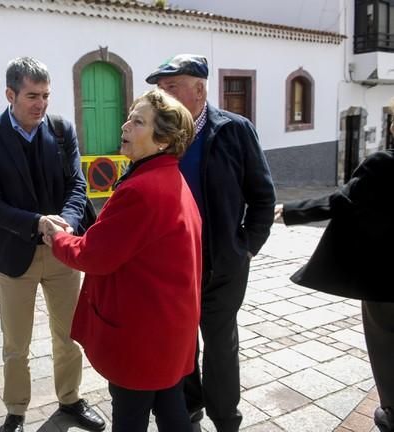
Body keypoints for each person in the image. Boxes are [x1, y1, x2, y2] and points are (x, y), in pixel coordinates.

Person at [41, 89, 202, 432]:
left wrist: (57, 239)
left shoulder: (141, 190)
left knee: (130, 418)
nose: (126, 126)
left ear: (163, 141)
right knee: (172, 409)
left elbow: (94, 256)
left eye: (138, 121)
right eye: (129, 117)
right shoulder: (170, 178)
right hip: (169, 330)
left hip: (142, 335)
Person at [0, 57, 105, 432]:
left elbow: (78, 186)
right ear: (10, 94)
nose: (41, 104)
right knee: (17, 344)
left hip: (62, 253)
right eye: (32, 96)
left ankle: (71, 400)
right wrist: (37, 223)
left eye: (46, 95)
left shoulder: (61, 130)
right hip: (15, 257)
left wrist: (66, 224)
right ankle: (15, 410)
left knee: (69, 335)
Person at [145, 54, 276, 431]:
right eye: (161, 90)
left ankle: (225, 418)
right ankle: (189, 408)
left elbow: (262, 195)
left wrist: (248, 245)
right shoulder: (162, 134)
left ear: (199, 89)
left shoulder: (235, 130)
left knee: (220, 346)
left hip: (223, 265)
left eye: (171, 88)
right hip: (174, 266)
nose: (163, 97)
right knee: (182, 343)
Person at [275, 137, 394, 432]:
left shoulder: (383, 164)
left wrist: (289, 211)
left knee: (387, 350)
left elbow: (343, 201)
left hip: (387, 283)